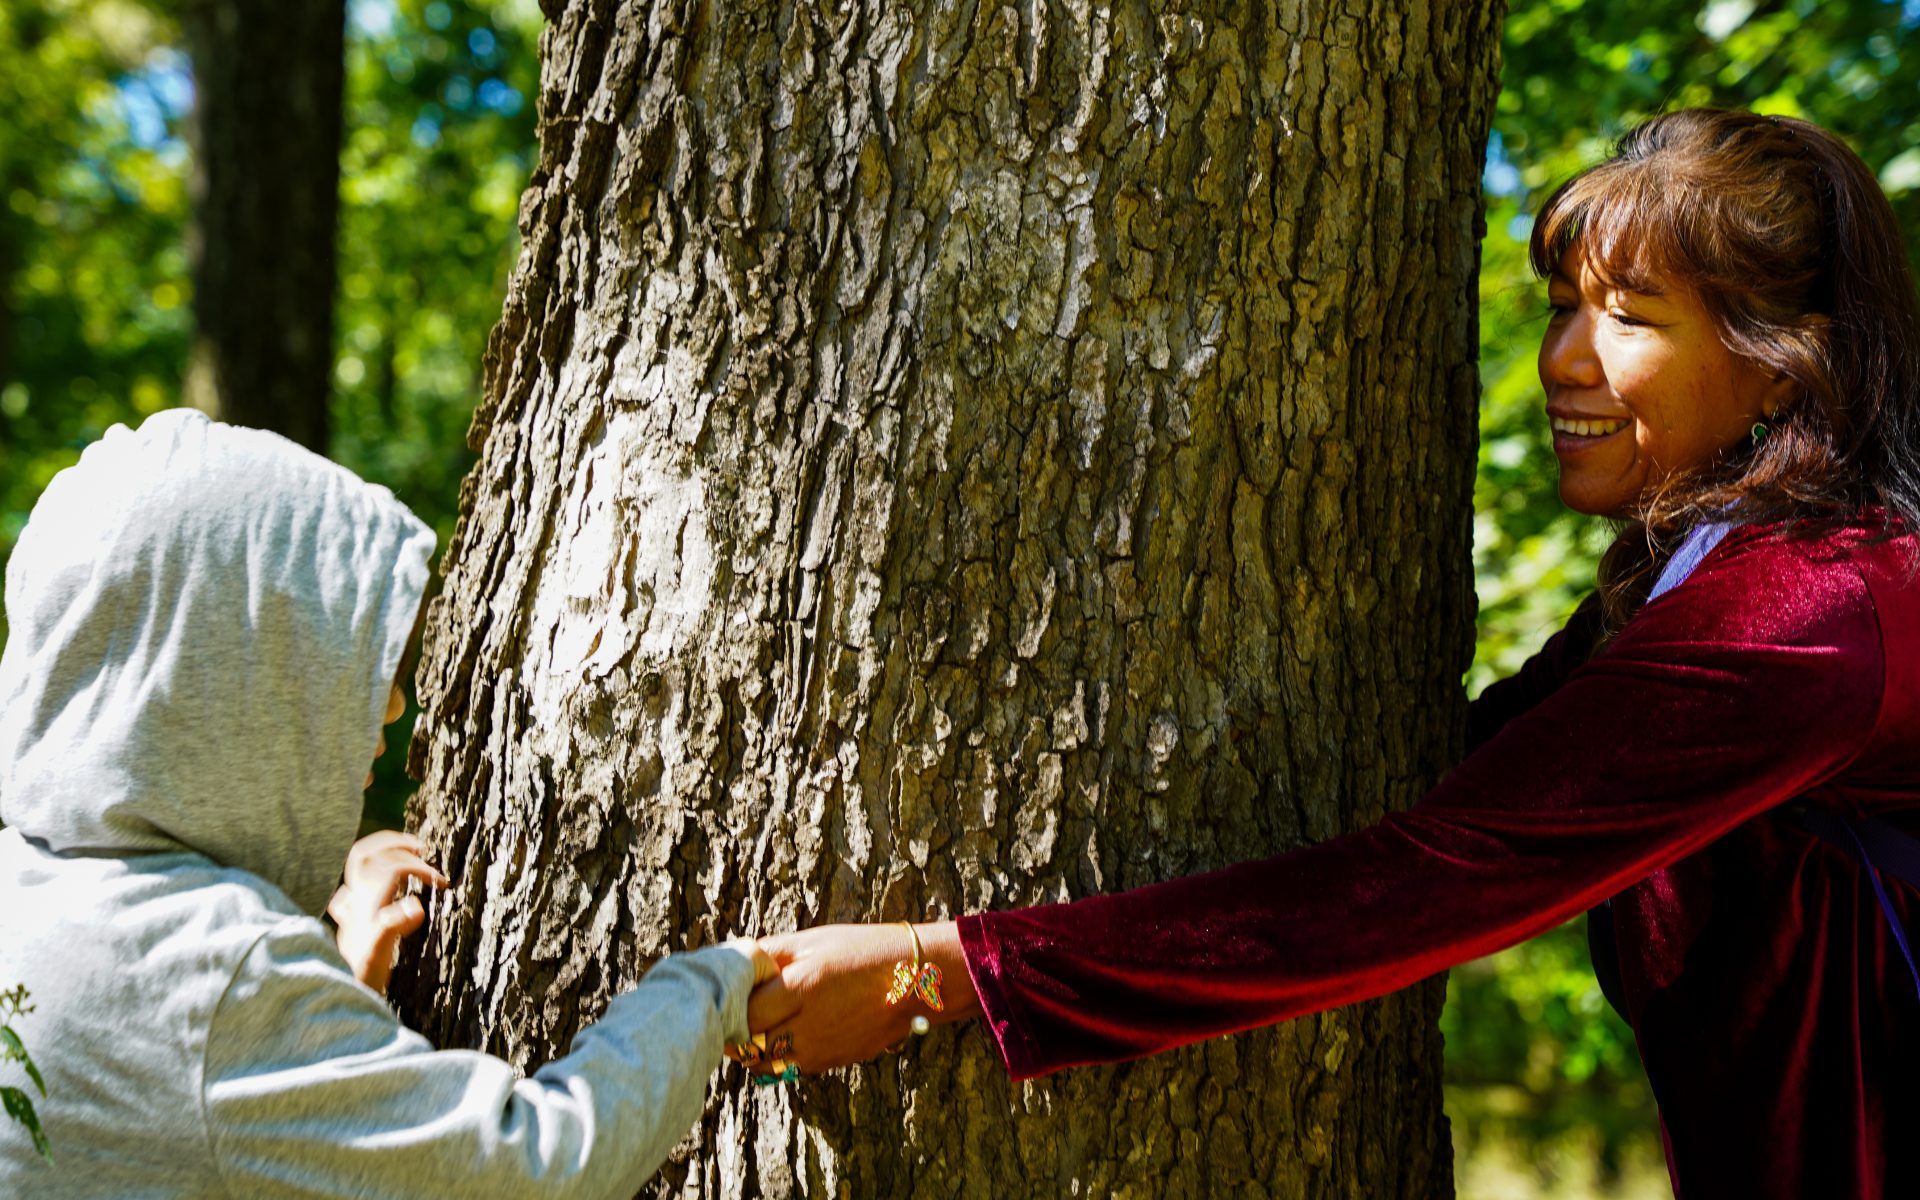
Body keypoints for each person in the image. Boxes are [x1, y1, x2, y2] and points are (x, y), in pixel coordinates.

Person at [744, 108, 1920, 1199]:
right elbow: (1456, 777)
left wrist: (942, 974)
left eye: (1629, 316)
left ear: (1780, 359)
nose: (1566, 358)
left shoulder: (1807, 613)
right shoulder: (1701, 574)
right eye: (1562, 302)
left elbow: (1428, 879)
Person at [0, 408, 774, 1197]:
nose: (396, 705)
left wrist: (336, 997)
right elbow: (526, 1171)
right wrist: (719, 987)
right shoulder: (213, 981)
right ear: (233, 681)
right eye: (331, 664)